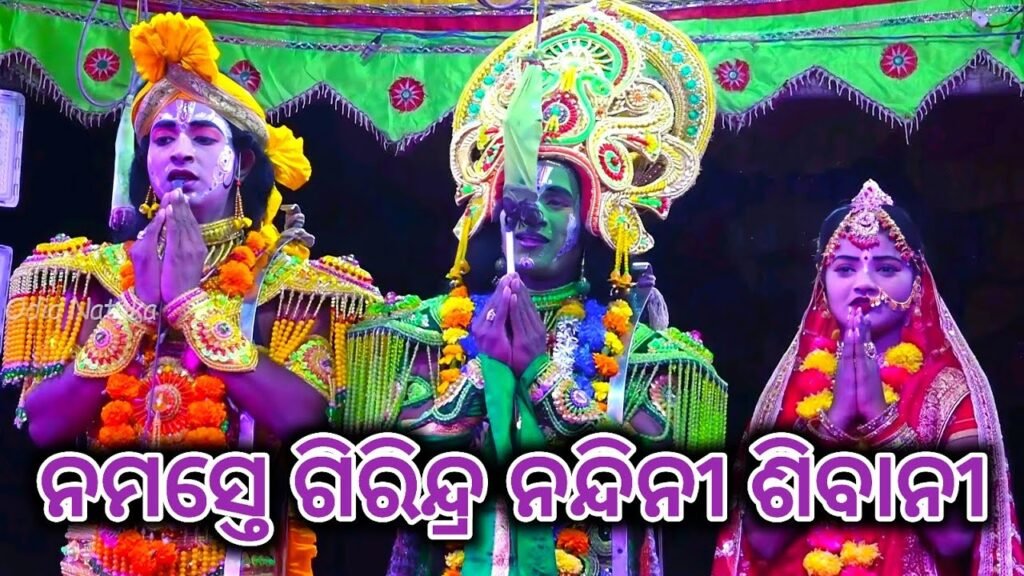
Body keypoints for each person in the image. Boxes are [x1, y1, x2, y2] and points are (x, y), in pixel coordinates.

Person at [344, 1, 728, 574]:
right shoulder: (422, 331)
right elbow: (374, 471)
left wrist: (539, 375)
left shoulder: (642, 354)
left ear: (593, 220)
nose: (532, 215)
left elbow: (669, 482)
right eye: (519, 196)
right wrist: (484, 373)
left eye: (556, 199)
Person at [1, 12, 381, 576]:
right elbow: (44, 424)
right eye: (163, 138)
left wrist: (190, 306)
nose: (181, 150)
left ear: (240, 162)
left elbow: (308, 423)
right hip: (106, 560)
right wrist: (135, 307)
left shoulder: (297, 290)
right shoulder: (83, 276)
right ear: (147, 160)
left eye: (204, 137)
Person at [711, 180, 1024, 576]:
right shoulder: (790, 392)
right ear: (822, 284)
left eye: (887, 268)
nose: (863, 283)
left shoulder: (950, 393)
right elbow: (762, 538)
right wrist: (836, 419)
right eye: (844, 268)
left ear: (917, 282)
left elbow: (955, 536)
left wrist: (881, 419)